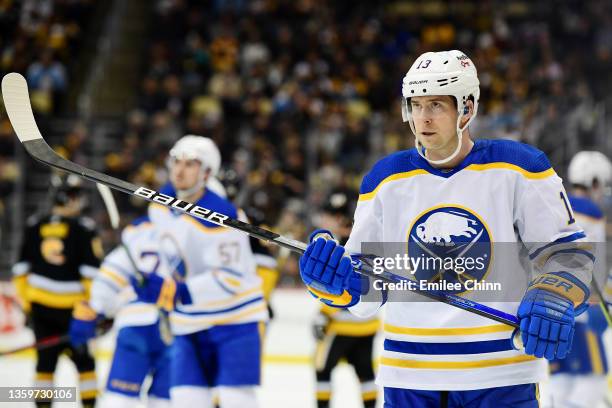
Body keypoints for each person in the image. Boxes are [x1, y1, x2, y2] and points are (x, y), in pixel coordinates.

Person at [298, 50, 593, 407]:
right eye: (416, 105)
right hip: (409, 376)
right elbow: (371, 285)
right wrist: (337, 283)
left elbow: (569, 252)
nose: (423, 118)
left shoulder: (520, 167)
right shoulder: (384, 179)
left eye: (436, 104)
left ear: (466, 109)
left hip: (500, 376)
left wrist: (554, 294)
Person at [136, 135, 268, 407]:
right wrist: (153, 281)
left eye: (190, 164)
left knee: (235, 399)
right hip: (189, 321)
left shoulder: (223, 215)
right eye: (176, 162)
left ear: (207, 172)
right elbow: (162, 251)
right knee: (186, 399)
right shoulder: (160, 205)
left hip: (236, 320)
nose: (180, 170)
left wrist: (179, 291)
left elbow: (230, 277)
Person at [12, 174, 102, 408]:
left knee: (44, 365)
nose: (78, 202)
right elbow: (92, 276)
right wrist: (93, 308)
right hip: (75, 312)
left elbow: (20, 272)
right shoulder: (84, 228)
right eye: (75, 196)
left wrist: (28, 304)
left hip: (42, 310)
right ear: (64, 197)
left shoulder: (35, 225)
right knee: (85, 365)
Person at [69, 216, 172, 408]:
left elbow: (107, 283)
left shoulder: (136, 235)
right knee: (167, 399)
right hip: (176, 326)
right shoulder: (194, 229)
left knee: (120, 397)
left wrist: (93, 314)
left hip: (134, 322)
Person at [543, 151, 612, 408]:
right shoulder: (591, 211)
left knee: (561, 384)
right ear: (594, 180)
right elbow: (597, 267)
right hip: (580, 314)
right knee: (592, 382)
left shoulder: (554, 204)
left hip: (551, 310)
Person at [312, 190, 379, 408]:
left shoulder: (340, 247)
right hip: (368, 325)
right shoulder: (370, 241)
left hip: (340, 326)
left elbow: (337, 290)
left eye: (328, 216)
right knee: (366, 375)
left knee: (322, 369)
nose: (324, 220)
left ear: (339, 219)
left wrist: (323, 315)